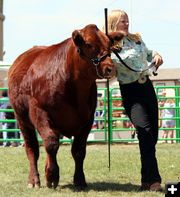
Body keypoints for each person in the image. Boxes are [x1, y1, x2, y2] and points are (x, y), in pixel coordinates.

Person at [107, 10, 163, 191]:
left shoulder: (136, 39)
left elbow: (148, 53)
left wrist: (156, 55)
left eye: (127, 20)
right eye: (123, 21)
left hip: (147, 86)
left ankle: (145, 179)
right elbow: (106, 70)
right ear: (114, 22)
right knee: (144, 132)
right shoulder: (109, 46)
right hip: (130, 91)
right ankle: (154, 180)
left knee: (152, 134)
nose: (127, 23)